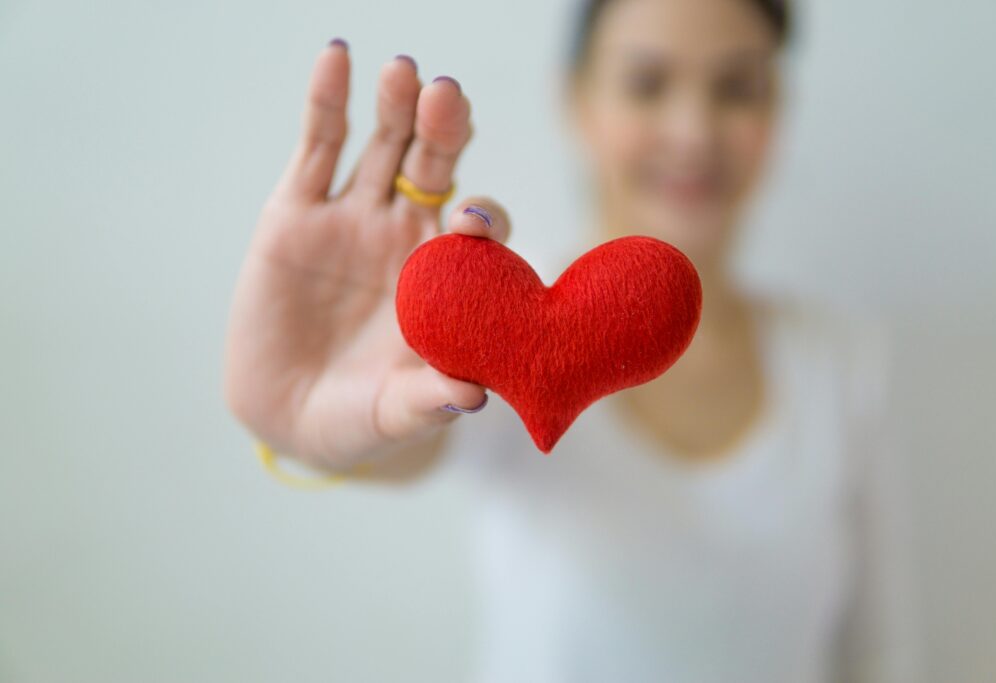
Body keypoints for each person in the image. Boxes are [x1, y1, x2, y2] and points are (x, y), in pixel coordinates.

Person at [223, 0, 921, 680]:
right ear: (576, 101)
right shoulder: (492, 329)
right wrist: (304, 415)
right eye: (647, 83)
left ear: (777, 109)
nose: (693, 131)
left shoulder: (843, 362)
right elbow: (403, 444)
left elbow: (876, 653)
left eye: (737, 87)